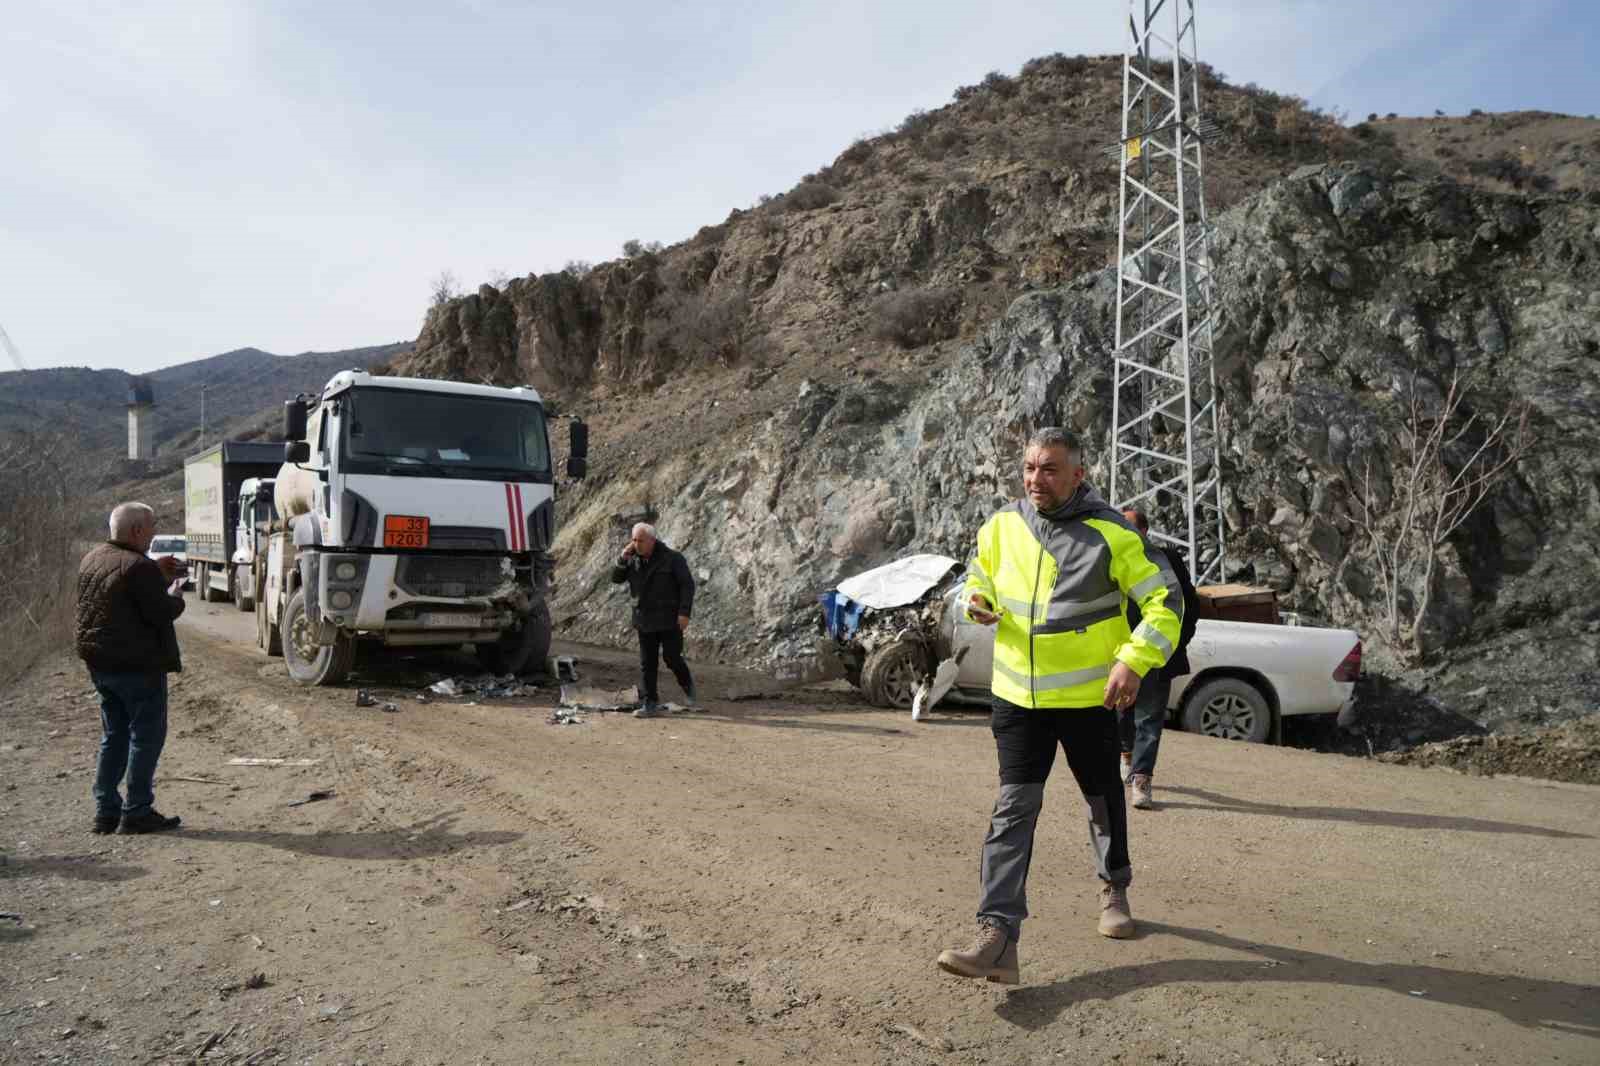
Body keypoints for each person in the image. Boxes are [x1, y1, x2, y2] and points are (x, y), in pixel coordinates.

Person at [936, 428, 1183, 985]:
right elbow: (978, 578)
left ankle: (1114, 886)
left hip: (1088, 700)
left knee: (1101, 799)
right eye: (1028, 467)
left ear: (1079, 474)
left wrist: (1135, 659)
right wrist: (977, 601)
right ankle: (997, 936)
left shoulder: (1112, 535)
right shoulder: (1002, 525)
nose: (1034, 479)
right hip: (1017, 699)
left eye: (1048, 469)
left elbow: (1166, 602)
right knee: (1012, 811)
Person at [75, 502, 187, 835]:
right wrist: (176, 594)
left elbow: (120, 588)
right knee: (146, 738)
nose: (154, 531)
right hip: (138, 667)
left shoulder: (93, 558)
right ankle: (137, 810)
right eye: (152, 526)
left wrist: (155, 571)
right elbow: (160, 612)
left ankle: (106, 812)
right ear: (137, 530)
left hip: (101, 664)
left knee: (114, 736)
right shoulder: (140, 568)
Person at [1118, 508, 1201, 810]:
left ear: (1143, 531)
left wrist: (1176, 642)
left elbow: (1188, 606)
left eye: (1128, 527)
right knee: (1121, 712)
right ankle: (1126, 754)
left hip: (1156, 655)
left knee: (1149, 719)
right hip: (1121, 656)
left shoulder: (1167, 560)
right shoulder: (1114, 558)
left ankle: (1142, 779)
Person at [609, 523, 697, 719]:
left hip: (669, 619)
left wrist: (684, 613)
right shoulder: (632, 560)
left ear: (652, 540)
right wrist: (623, 558)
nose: (636, 544)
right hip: (644, 619)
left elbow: (687, 585)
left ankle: (688, 686)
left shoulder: (672, 558)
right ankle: (650, 702)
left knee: (672, 658)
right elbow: (616, 578)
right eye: (633, 540)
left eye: (640, 540)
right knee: (647, 662)